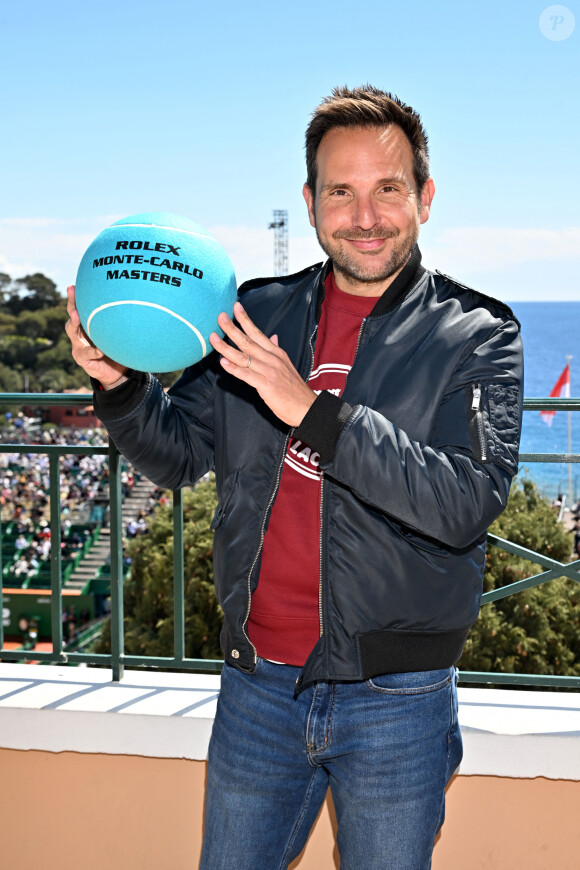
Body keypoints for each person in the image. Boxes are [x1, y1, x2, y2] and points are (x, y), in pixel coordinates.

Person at [66, 85, 523, 869]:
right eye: (340, 192)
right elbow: (180, 455)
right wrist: (121, 387)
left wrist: (311, 410)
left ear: (426, 197)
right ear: (311, 203)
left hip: (396, 696)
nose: (366, 214)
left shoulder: (477, 334)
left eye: (388, 188)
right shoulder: (256, 313)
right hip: (257, 687)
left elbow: (463, 503)